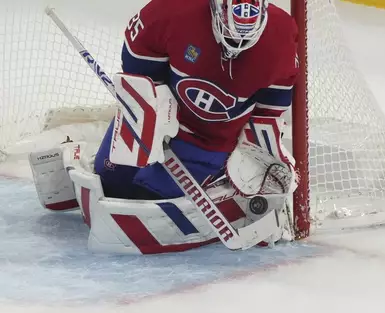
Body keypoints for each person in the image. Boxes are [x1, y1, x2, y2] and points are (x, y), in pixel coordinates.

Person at [28, 0, 300, 253]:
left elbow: (269, 110)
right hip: (163, 123)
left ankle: (214, 175)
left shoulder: (282, 33)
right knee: (109, 179)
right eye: (229, 36)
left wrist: (257, 153)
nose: (235, 45)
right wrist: (153, 108)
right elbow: (138, 64)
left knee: (146, 193)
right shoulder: (172, 11)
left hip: (212, 144)